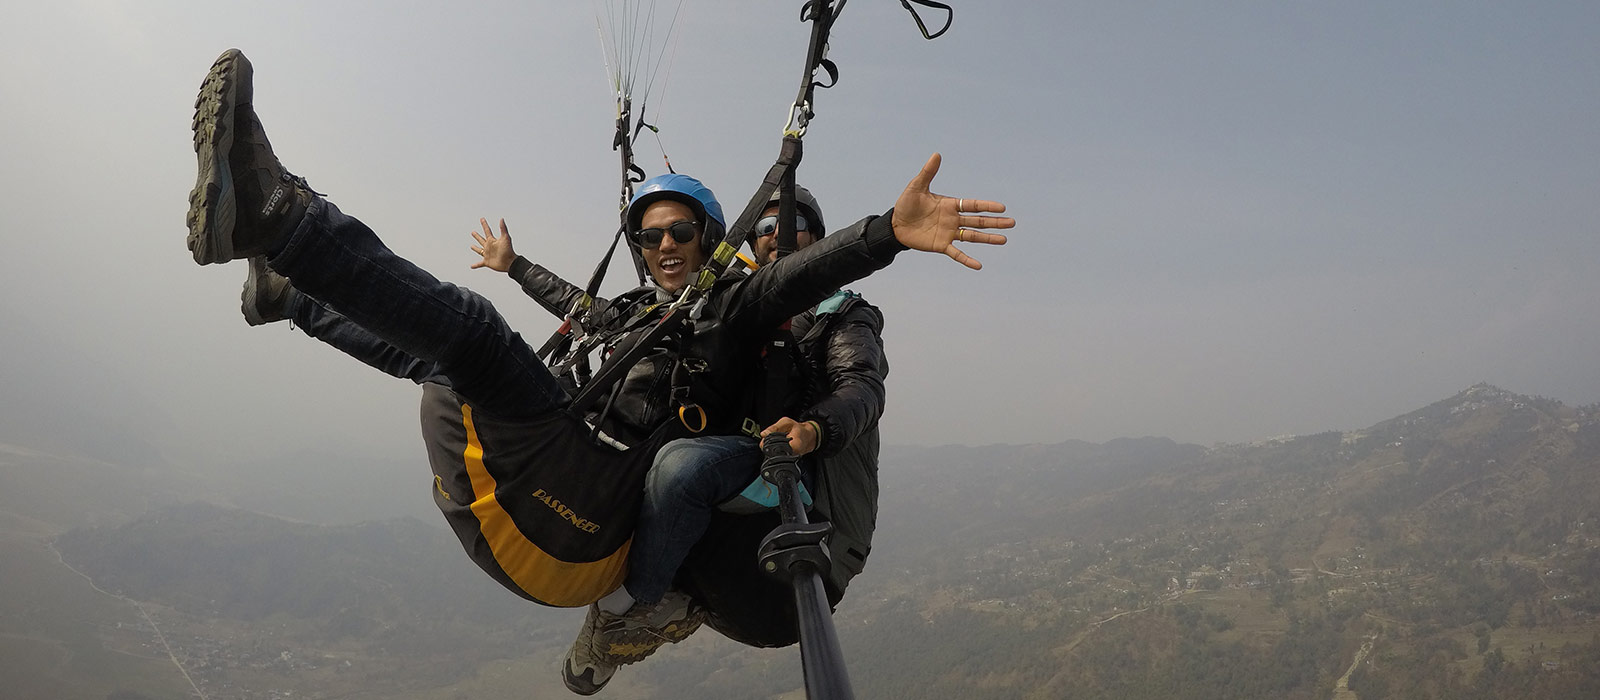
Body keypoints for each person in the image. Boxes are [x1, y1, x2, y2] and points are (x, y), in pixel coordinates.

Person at [185, 46, 1011, 686]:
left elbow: (841, 355)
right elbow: (582, 311)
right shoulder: (658, 314)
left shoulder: (750, 311)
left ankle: (278, 216)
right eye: (650, 238)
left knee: (481, 342)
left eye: (681, 235)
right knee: (443, 356)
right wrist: (516, 267)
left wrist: (880, 239)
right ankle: (285, 295)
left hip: (598, 515)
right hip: (572, 468)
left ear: (715, 244)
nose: (663, 248)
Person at [471, 184, 889, 693]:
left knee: (678, 466)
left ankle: (628, 612)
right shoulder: (718, 301)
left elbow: (861, 387)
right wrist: (515, 266)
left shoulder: (838, 312)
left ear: (819, 239)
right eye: (764, 226)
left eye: (794, 223)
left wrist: (814, 428)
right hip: (729, 458)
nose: (777, 235)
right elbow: (594, 312)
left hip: (791, 468)